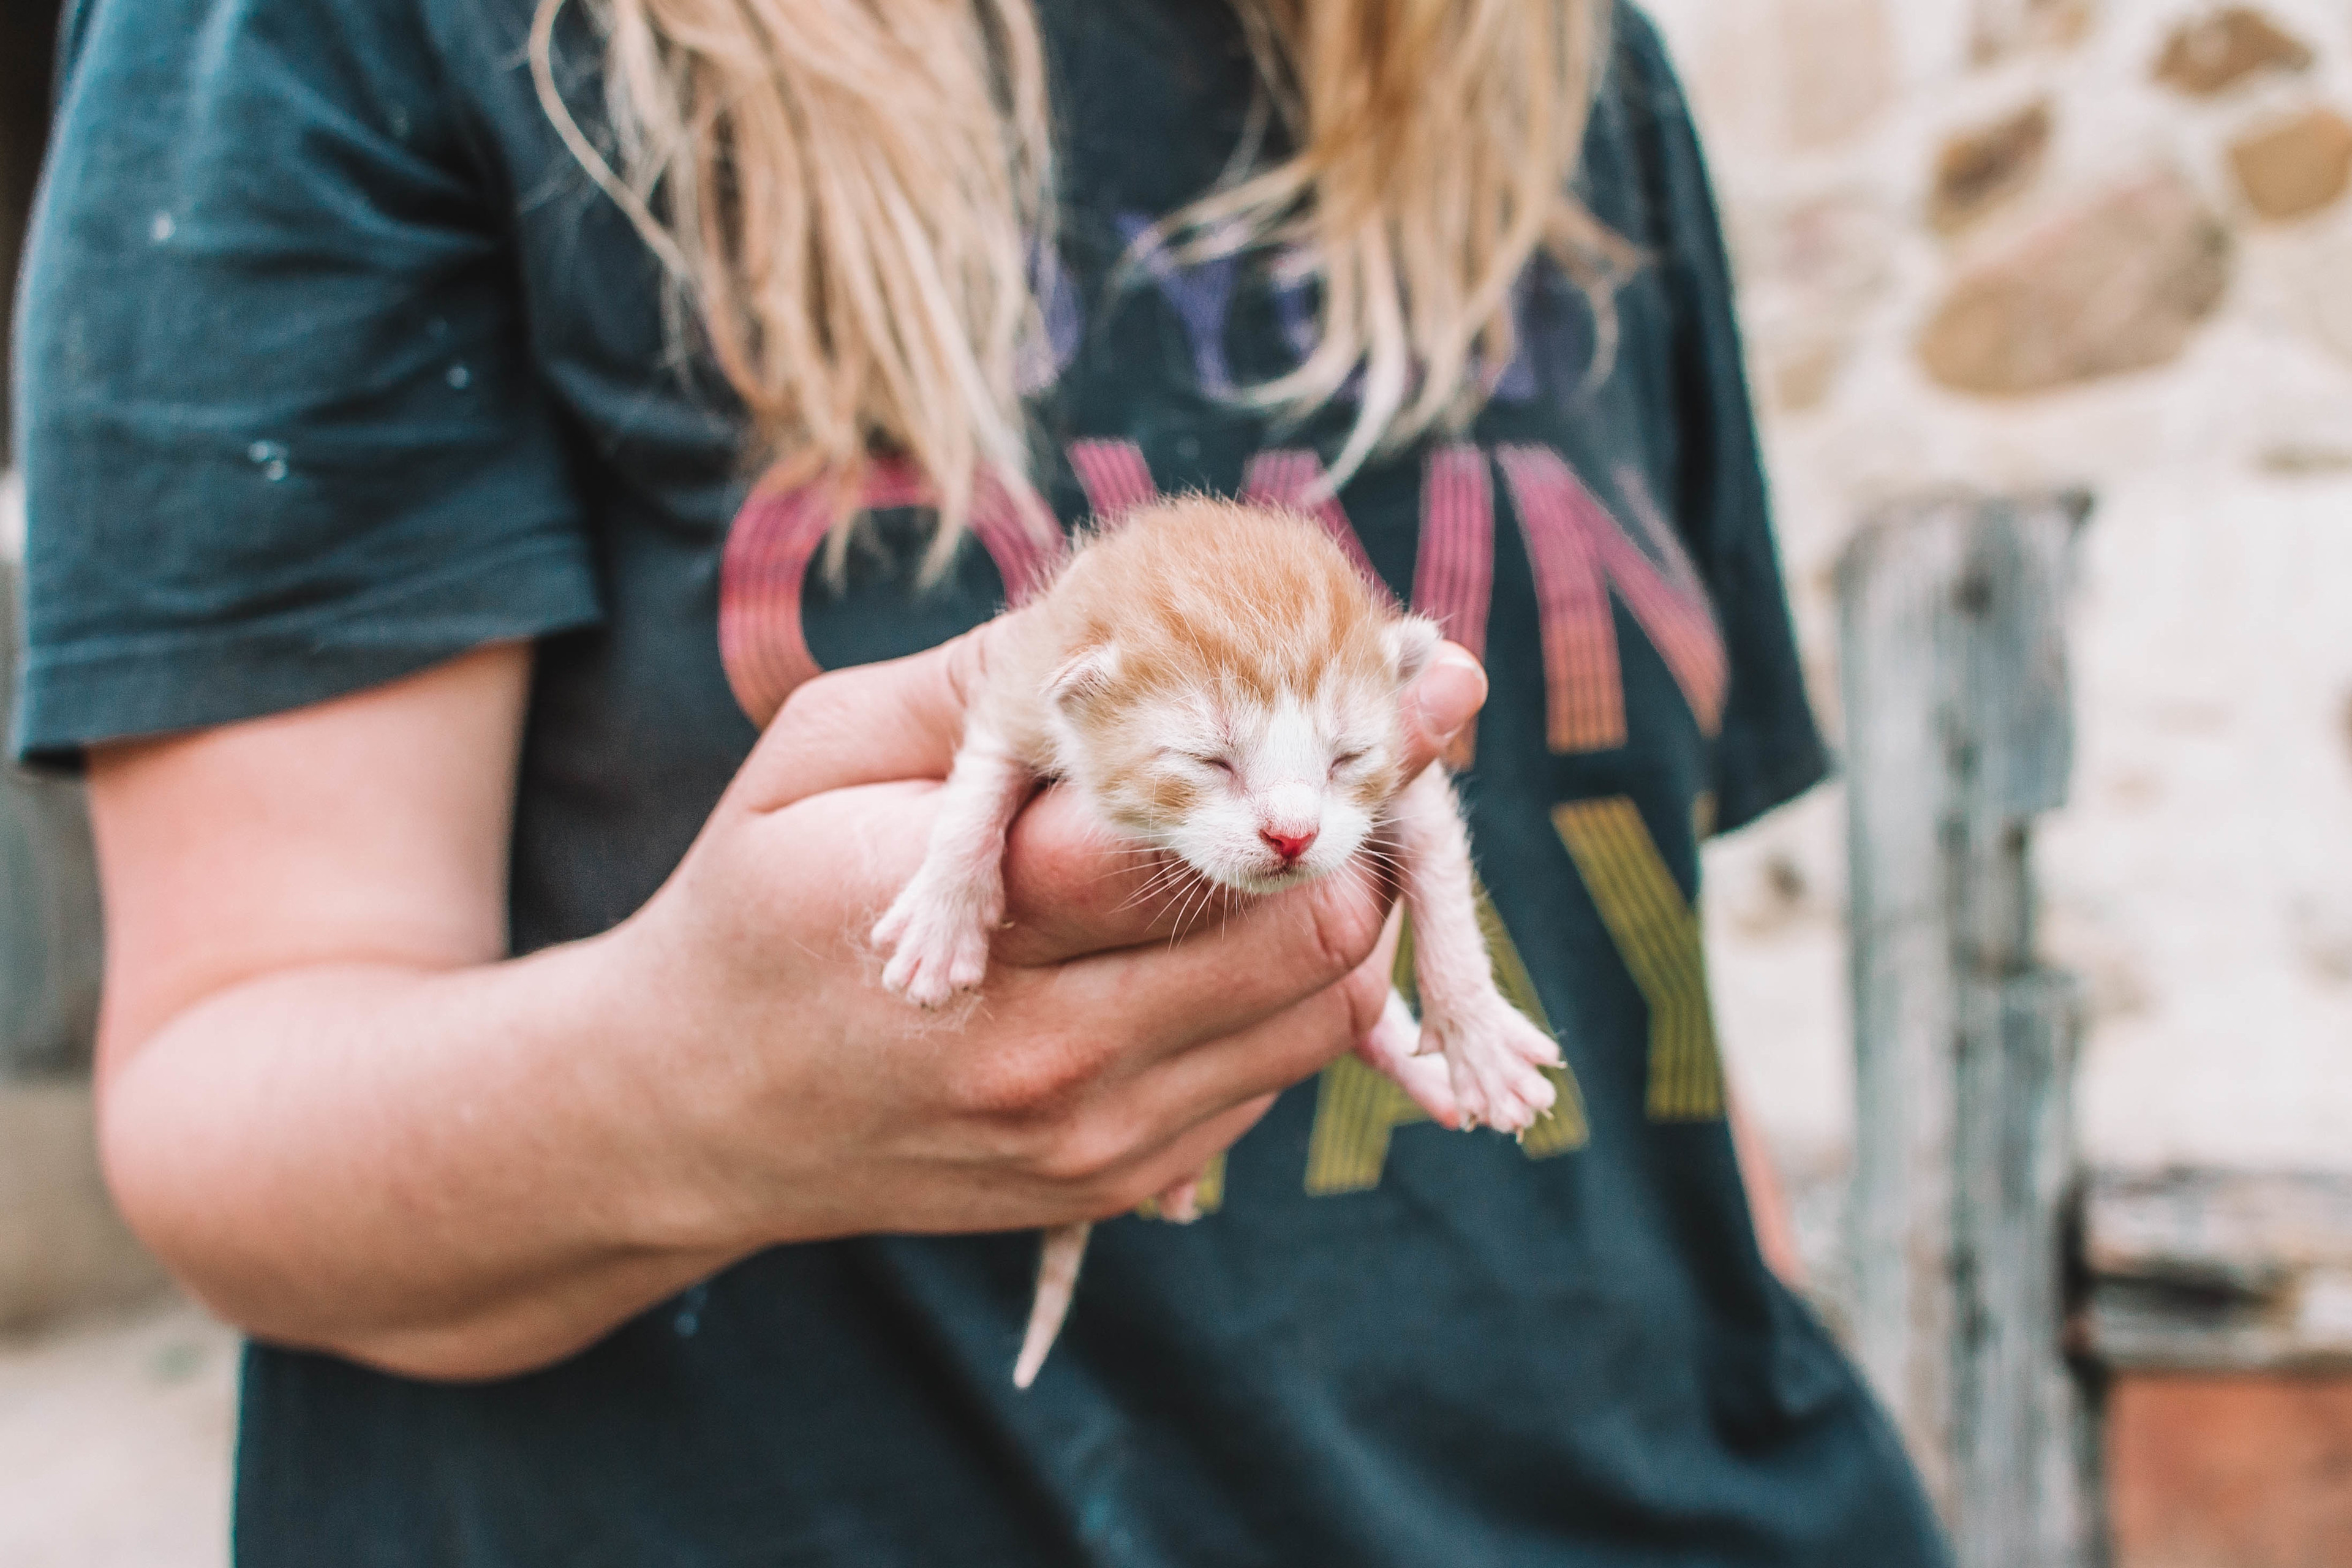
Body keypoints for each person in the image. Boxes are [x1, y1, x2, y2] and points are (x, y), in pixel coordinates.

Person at [14, 0, 1950, 1561]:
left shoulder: (1547, 56)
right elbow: (218, 1118)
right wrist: (696, 1085)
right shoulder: (335, 42)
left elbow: (1643, 992)